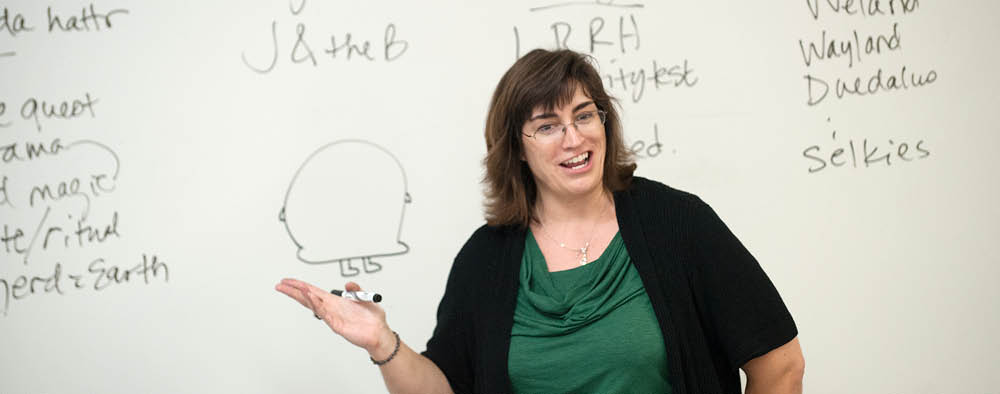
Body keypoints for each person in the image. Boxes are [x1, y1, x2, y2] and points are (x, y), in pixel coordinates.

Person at [276, 48, 804, 394]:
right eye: (547, 125)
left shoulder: (679, 225)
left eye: (584, 115)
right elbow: (445, 389)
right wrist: (382, 344)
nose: (574, 139)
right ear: (517, 150)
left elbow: (780, 366)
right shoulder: (487, 258)